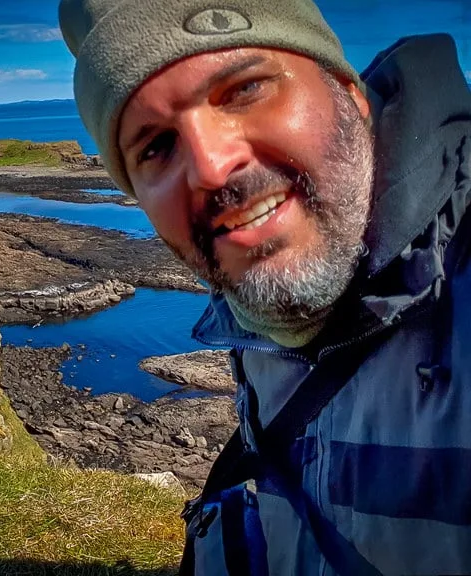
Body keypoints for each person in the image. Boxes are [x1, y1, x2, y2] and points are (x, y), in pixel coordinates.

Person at [59, 1, 469, 574]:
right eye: (155, 147)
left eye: (245, 90)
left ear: (348, 93)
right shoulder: (258, 318)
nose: (210, 167)